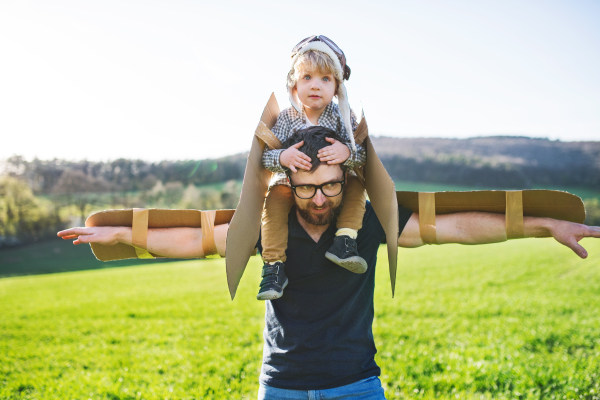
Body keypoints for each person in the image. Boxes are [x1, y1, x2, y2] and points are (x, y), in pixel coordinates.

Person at [58, 126, 600, 399]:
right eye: (309, 188)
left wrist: (542, 224)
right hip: (283, 386)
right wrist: (121, 233)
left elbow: (455, 228)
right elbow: (196, 239)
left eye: (332, 187)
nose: (320, 198)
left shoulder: (363, 221)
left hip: (355, 385)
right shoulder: (270, 222)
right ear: (288, 182)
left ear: (346, 182)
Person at [258, 35, 368, 301]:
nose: (315, 86)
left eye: (325, 79)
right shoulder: (286, 117)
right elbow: (265, 157)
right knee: (273, 200)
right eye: (307, 77)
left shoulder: (343, 115)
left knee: (357, 186)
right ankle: (273, 266)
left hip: (333, 183)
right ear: (294, 85)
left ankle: (344, 240)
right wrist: (283, 157)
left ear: (337, 87)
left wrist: (347, 152)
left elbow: (363, 156)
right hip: (293, 185)